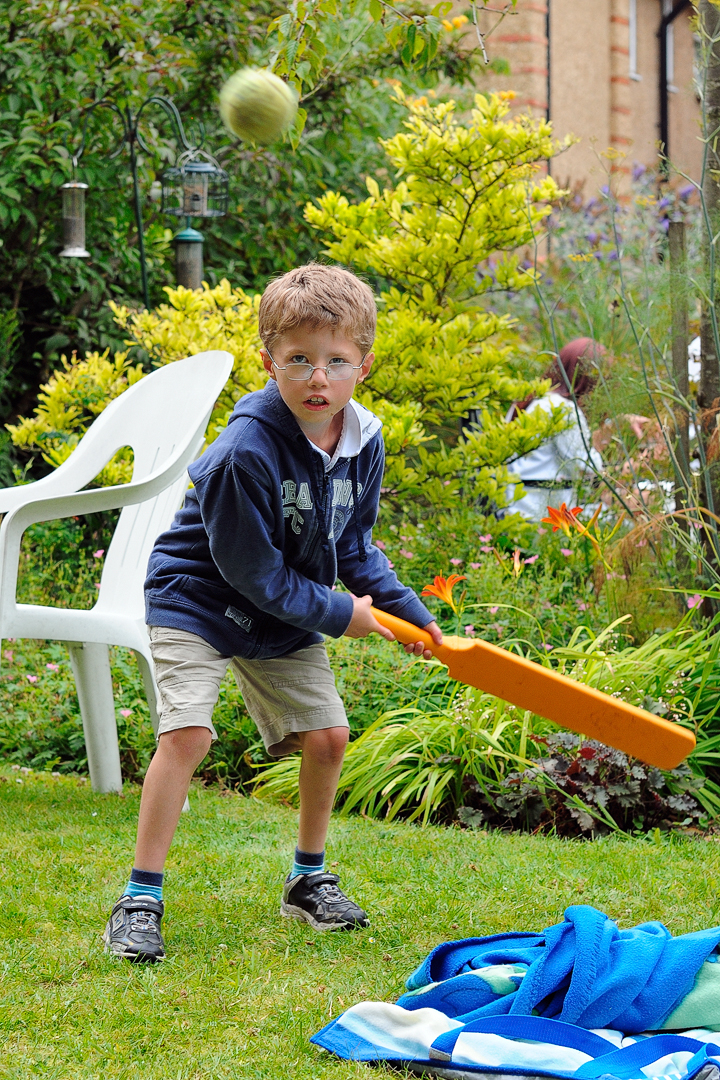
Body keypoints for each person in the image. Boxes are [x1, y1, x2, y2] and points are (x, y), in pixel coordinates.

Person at [102, 264, 442, 963]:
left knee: (328, 736)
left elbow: (353, 544)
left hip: (284, 602)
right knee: (189, 734)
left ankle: (308, 881)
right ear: (270, 362)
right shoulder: (241, 455)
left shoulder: (360, 443)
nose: (318, 378)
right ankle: (139, 897)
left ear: (363, 365)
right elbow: (249, 572)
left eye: (336, 361)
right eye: (298, 360)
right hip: (197, 596)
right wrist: (339, 613)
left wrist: (410, 614)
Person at [504, 338, 604, 521]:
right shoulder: (564, 409)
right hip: (543, 515)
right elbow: (585, 466)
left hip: (513, 509)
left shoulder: (529, 400)